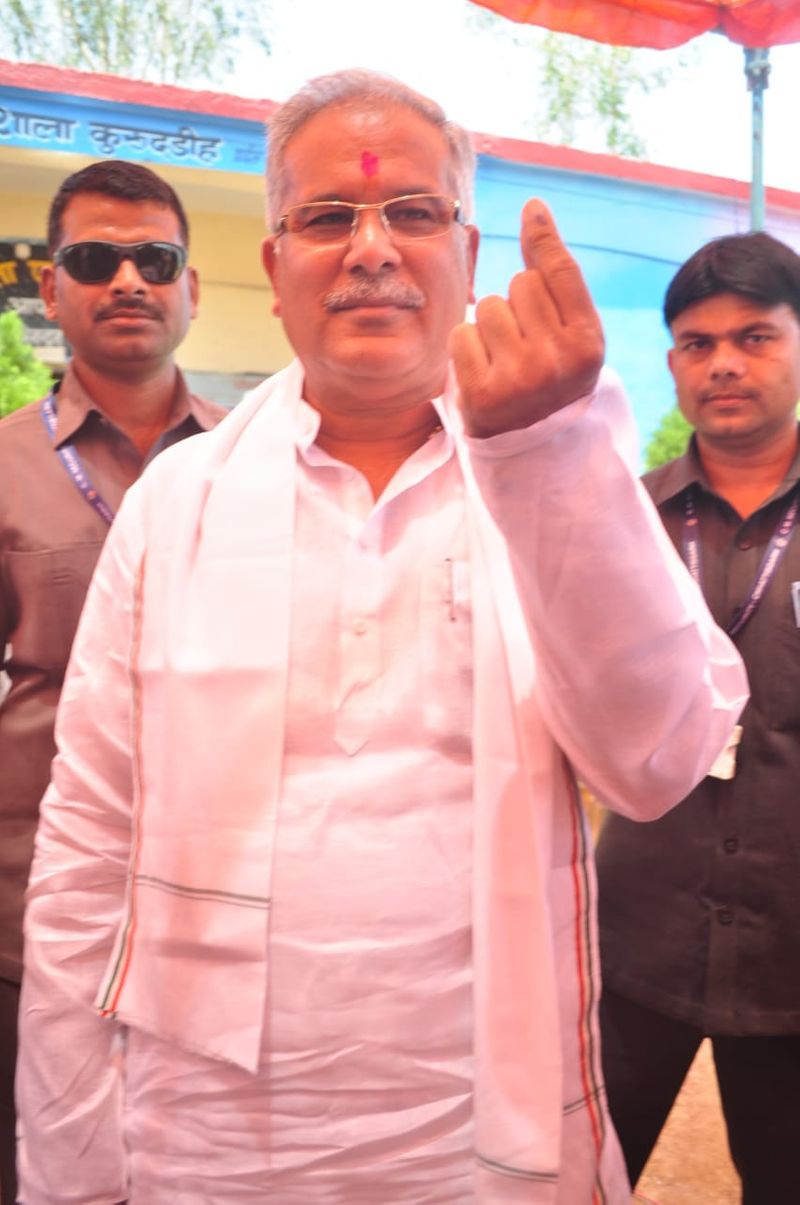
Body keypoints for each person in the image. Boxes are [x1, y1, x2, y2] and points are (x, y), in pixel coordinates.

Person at [16, 71, 746, 1204]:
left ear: (462, 248)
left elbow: (654, 763)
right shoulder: (177, 503)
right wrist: (67, 1157)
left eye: (411, 212)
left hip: (474, 1135)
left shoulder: (556, 471)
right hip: (204, 1139)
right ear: (272, 266)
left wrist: (545, 464)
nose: (370, 247)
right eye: (326, 217)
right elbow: (85, 854)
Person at [0, 159, 227, 1202]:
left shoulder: (262, 464)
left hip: (221, 910)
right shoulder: (4, 467)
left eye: (155, 258)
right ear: (52, 289)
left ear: (190, 286)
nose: (128, 278)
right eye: (95, 259)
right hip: (31, 908)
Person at [597, 231, 800, 1204]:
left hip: (792, 954)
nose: (721, 361)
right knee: (578, 1177)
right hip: (632, 942)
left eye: (754, 336)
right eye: (695, 341)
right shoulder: (618, 525)